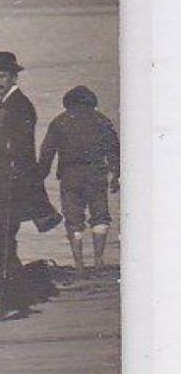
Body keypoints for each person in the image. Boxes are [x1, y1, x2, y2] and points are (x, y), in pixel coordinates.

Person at [0, 50, 63, 322]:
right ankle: (17, 297)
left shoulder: (20, 105)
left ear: (13, 76)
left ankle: (15, 302)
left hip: (11, 187)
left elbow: (20, 150)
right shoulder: (5, 103)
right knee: (0, 240)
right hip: (1, 186)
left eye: (1, 75)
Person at [38, 85, 120, 274]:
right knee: (100, 216)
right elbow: (114, 150)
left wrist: (39, 177)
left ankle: (79, 264)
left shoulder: (59, 122)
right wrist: (116, 175)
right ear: (92, 103)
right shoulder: (102, 121)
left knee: (74, 220)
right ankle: (99, 260)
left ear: (68, 103)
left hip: (70, 177)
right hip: (96, 176)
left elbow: (47, 152)